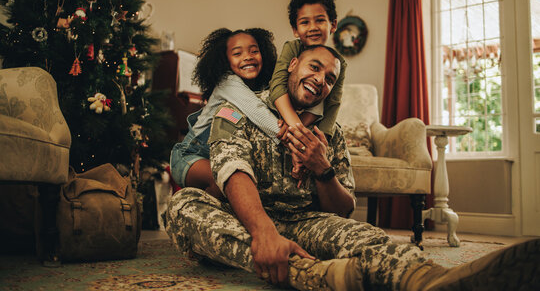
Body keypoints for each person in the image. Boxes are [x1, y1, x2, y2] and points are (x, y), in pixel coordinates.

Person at [165, 45, 540, 290]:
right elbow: (232, 171)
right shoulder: (240, 109)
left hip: (304, 221)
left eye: (330, 78)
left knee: (367, 236)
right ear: (293, 65)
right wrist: (263, 232)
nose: (321, 80)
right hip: (245, 218)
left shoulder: (330, 133)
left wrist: (321, 168)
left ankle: (432, 280)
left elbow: (343, 209)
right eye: (315, 67)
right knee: (184, 207)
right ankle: (308, 274)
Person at [169, 28, 278, 199]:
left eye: (254, 51)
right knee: (226, 181)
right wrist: (295, 143)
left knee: (242, 183)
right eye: (237, 53)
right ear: (225, 61)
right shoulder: (228, 82)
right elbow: (261, 115)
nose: (247, 56)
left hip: (224, 157)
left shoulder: (261, 87)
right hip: (192, 155)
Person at [269, 0, 347, 182]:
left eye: (320, 20)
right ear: (295, 30)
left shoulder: (338, 63)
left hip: (308, 118)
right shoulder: (292, 48)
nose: (312, 27)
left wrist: (321, 139)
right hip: (282, 112)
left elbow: (333, 103)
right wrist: (295, 126)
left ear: (333, 25)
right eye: (305, 22)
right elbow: (277, 86)